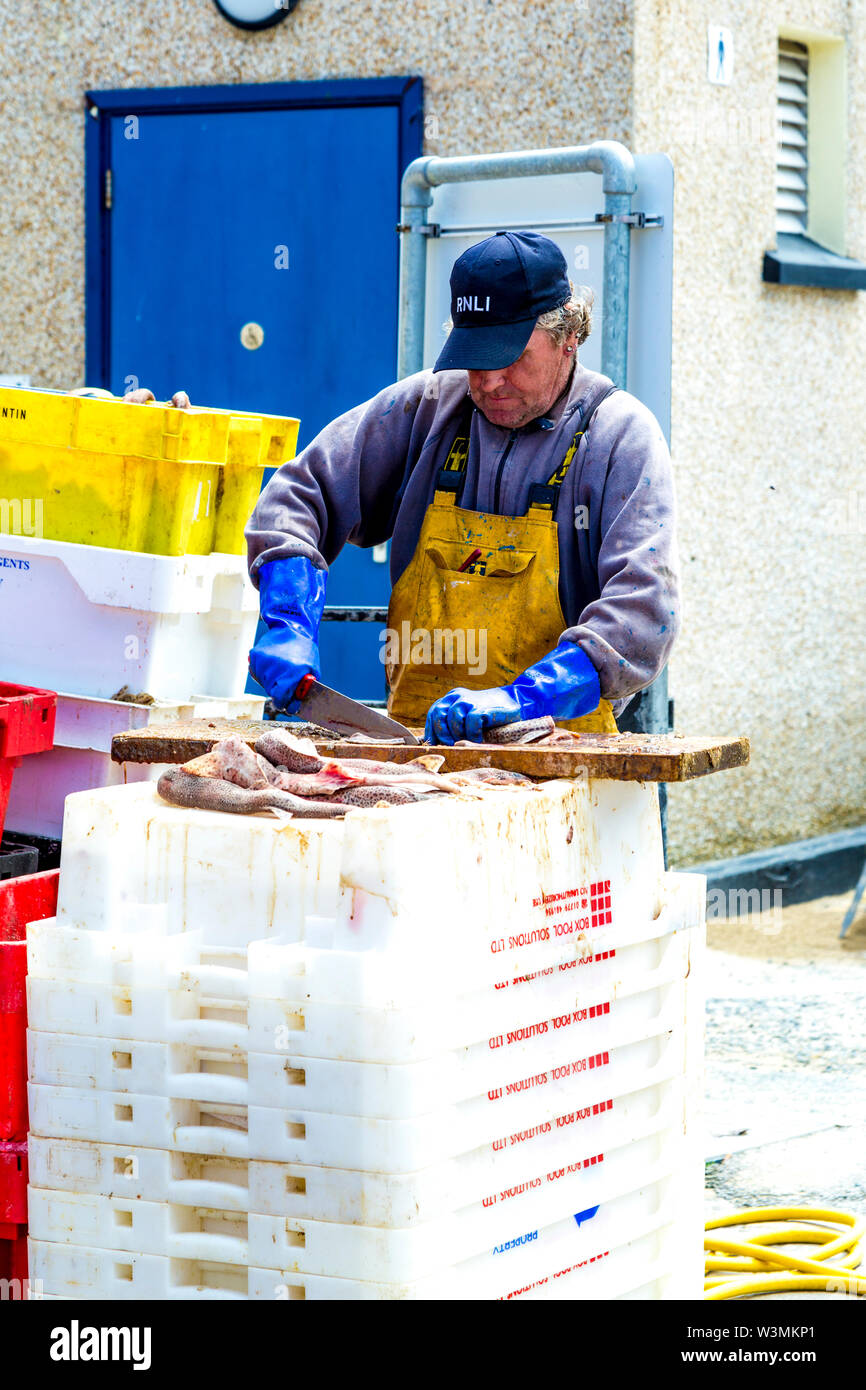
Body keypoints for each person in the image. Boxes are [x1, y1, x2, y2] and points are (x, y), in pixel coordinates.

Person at [249, 230, 680, 744]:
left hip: (566, 756)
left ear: (568, 337)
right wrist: (287, 620)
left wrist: (526, 699)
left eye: (511, 357)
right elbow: (300, 494)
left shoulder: (621, 436)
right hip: (418, 755)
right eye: (475, 357)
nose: (489, 381)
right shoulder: (429, 408)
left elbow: (644, 608)